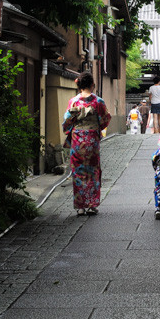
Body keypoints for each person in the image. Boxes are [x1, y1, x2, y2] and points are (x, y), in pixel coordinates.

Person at [63, 72, 112, 215]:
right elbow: (105, 120)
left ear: (79, 85)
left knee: (78, 171)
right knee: (93, 171)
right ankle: (92, 204)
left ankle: (80, 206)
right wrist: (96, 128)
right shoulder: (98, 102)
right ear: (92, 85)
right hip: (91, 140)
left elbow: (67, 122)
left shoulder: (73, 102)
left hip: (77, 140)